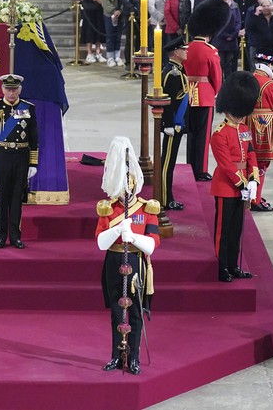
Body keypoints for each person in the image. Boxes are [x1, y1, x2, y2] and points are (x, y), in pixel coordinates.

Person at [95, 136, 159, 375]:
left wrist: (133, 237)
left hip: (136, 262)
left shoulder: (146, 207)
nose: (126, 192)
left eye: (128, 186)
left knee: (134, 312)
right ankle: (115, 355)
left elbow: (152, 245)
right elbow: (101, 243)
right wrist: (116, 231)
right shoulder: (108, 208)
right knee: (115, 310)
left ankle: (133, 358)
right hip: (113, 261)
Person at [210, 71, 259, 282]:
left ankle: (233, 265)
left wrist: (254, 179)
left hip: (243, 186)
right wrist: (243, 183)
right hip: (226, 186)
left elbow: (251, 154)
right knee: (224, 231)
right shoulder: (219, 134)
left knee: (237, 229)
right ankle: (221, 267)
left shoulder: (244, 129)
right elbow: (226, 165)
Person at [0, 74, 38, 249]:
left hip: (21, 157)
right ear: (2, 89)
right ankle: (0, 236)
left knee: (16, 198)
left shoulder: (29, 108)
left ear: (20, 89)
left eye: (14, 89)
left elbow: (34, 136)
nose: (11, 92)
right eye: (8, 89)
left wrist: (33, 163)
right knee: (1, 198)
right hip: (0, 157)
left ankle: (15, 236)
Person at [183, 0, 228, 181]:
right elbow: (216, 76)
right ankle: (200, 169)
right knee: (203, 134)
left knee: (191, 133)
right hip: (205, 94)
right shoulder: (210, 50)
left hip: (188, 93)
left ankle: (189, 164)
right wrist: (217, 92)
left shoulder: (186, 47)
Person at [246, 51, 273, 213]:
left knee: (250, 161)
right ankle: (255, 199)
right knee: (261, 164)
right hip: (266, 128)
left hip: (248, 124)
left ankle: (252, 194)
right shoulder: (270, 85)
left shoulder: (247, 80)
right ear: (269, 66)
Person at [160, 35, 188, 210]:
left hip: (179, 123)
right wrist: (168, 124)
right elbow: (168, 100)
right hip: (173, 125)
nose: (186, 52)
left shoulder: (178, 69)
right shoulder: (172, 73)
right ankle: (165, 198)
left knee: (170, 162)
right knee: (167, 164)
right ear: (176, 52)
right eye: (184, 49)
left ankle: (168, 196)